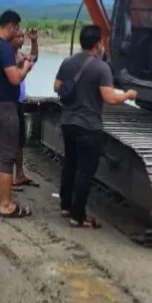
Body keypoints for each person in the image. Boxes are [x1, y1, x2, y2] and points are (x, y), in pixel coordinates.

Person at [53, 24, 137, 229]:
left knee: (70, 164)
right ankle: (77, 216)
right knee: (85, 171)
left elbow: (57, 86)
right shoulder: (101, 67)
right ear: (98, 43)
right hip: (88, 126)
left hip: (68, 123)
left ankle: (65, 206)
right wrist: (127, 95)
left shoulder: (68, 61)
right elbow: (109, 98)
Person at [0, 9, 34, 218]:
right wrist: (25, 67)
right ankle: (6, 204)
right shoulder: (2, 48)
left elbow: (0, 72)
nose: (18, 32)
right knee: (8, 155)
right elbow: (14, 79)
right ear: (11, 26)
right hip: (4, 107)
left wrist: (17, 64)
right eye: (17, 28)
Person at [10, 26, 40, 190]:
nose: (21, 40)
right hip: (9, 103)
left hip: (19, 102)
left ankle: (19, 174)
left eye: (23, 37)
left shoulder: (19, 56)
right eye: (18, 37)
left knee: (19, 141)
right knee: (10, 141)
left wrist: (34, 41)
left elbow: (33, 59)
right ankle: (9, 179)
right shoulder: (8, 57)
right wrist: (22, 63)